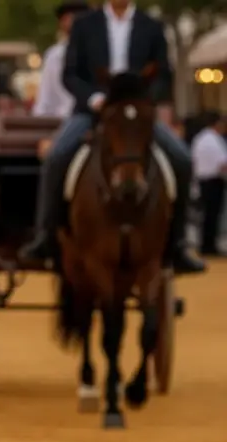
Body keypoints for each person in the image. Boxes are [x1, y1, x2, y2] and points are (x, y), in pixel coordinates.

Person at [21, 0, 205, 273]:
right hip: (92, 111)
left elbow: (164, 74)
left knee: (183, 159)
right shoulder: (85, 25)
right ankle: (46, 236)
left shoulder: (152, 27)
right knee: (56, 157)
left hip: (135, 114)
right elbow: (71, 73)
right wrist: (93, 98)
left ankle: (177, 244)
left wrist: (144, 101)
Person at [34, 2, 91, 119]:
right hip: (61, 119)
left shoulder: (99, 53)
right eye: (67, 18)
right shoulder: (54, 55)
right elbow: (46, 97)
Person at [192, 111, 227, 257]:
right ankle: (209, 246)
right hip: (213, 181)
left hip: (202, 180)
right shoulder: (214, 139)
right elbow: (223, 163)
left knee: (207, 215)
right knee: (212, 215)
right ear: (217, 123)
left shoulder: (200, 138)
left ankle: (206, 244)